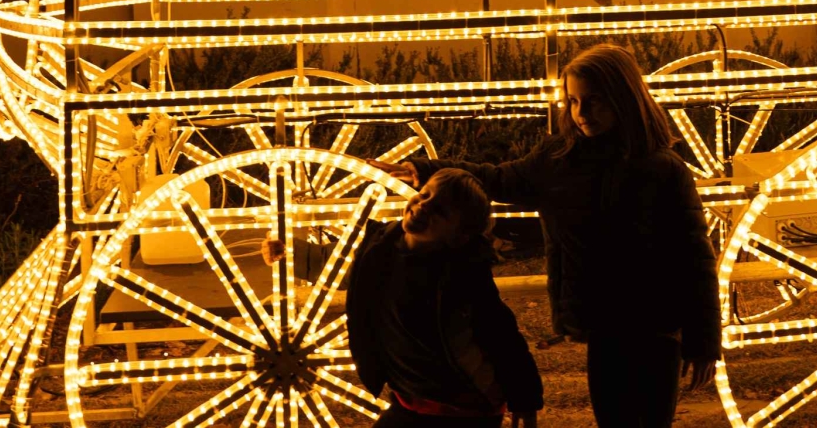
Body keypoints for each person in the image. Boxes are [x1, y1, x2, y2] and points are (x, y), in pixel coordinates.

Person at [377, 44, 720, 428]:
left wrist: (703, 340)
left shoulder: (662, 169)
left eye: (593, 101)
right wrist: (426, 169)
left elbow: (694, 256)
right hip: (604, 326)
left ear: (624, 98)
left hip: (655, 328)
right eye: (573, 101)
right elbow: (498, 177)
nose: (581, 113)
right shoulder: (559, 159)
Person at [267, 168, 542, 428]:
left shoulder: (462, 274)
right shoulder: (378, 247)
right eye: (425, 195)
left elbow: (502, 335)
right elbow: (331, 263)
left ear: (460, 237)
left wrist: (525, 399)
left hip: (465, 405)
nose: (424, 205)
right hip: (412, 398)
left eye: (440, 210)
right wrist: (288, 250)